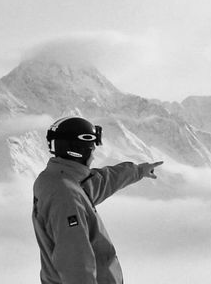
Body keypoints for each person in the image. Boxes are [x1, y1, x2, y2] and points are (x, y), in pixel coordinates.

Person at [31, 116, 163, 284]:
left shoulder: (58, 179)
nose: (93, 156)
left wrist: (138, 171)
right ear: (78, 150)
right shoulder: (66, 196)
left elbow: (101, 182)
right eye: (92, 149)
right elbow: (75, 260)